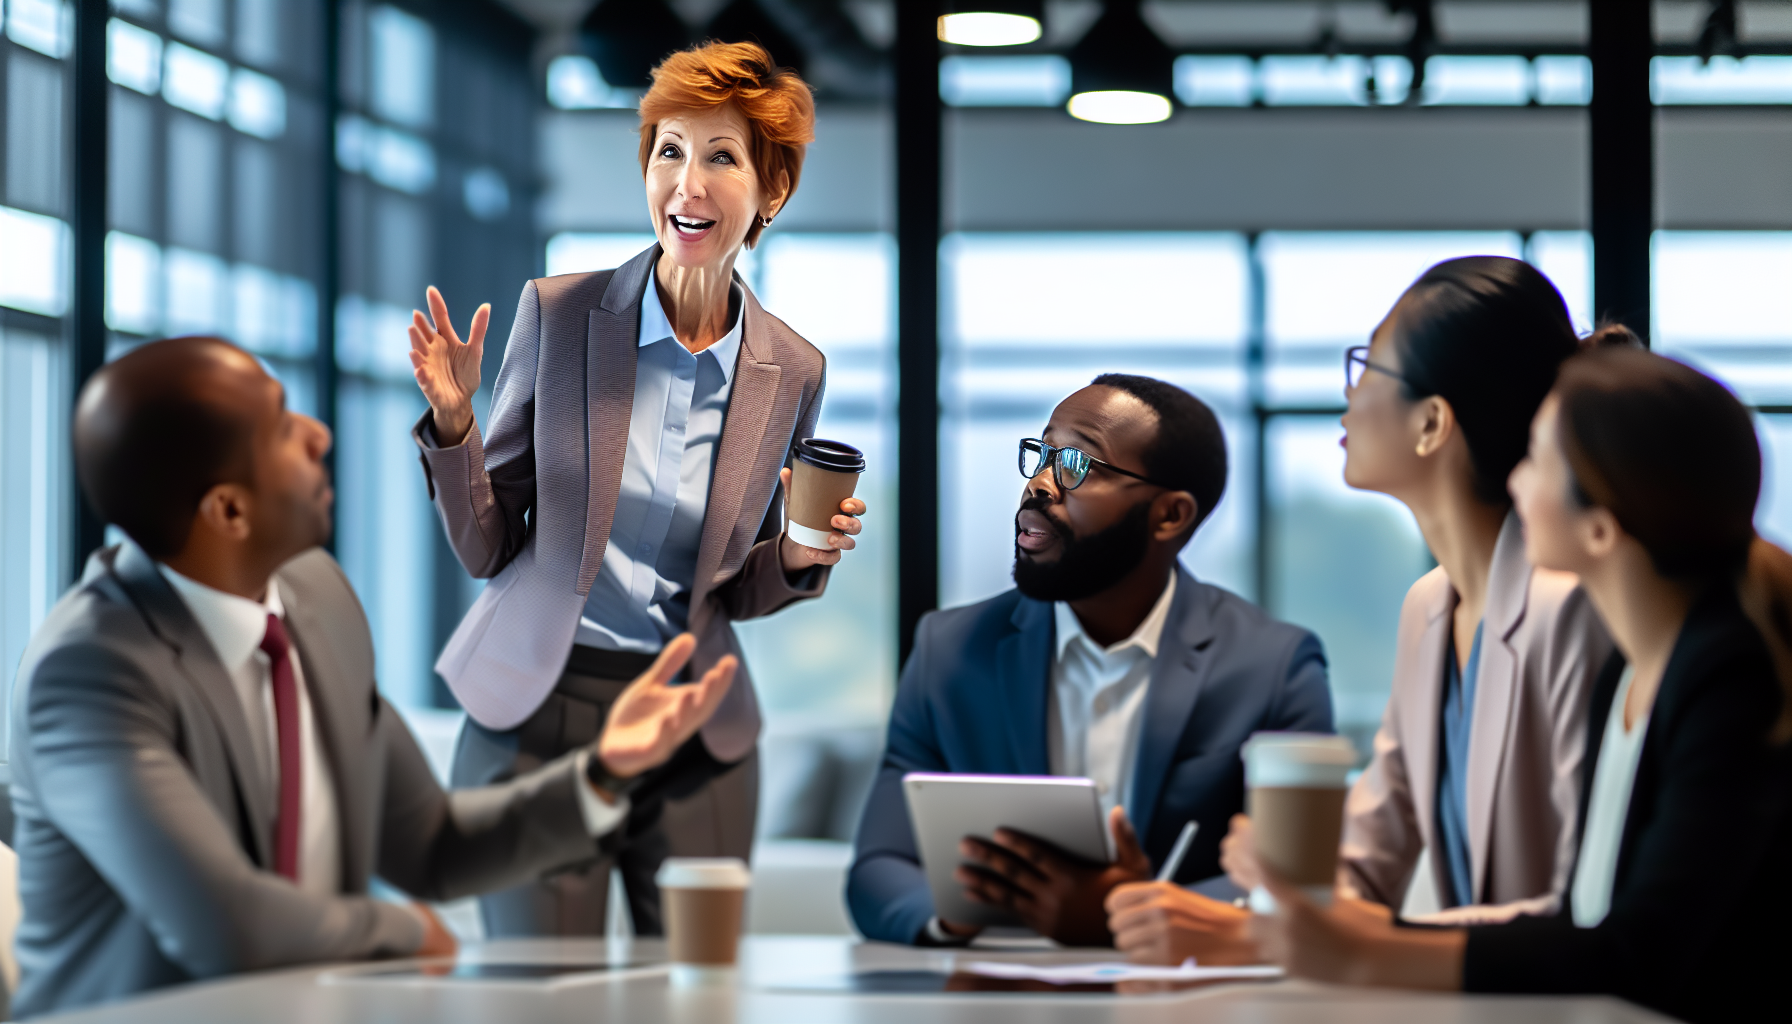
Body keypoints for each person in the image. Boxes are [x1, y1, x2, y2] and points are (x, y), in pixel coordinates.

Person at [8, 337, 738, 1018]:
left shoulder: (315, 597)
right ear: (227, 511)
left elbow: (430, 844)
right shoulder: (89, 673)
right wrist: (404, 930)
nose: (316, 434)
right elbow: (227, 926)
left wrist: (604, 771)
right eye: (278, 427)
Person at [406, 42, 864, 937]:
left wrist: (802, 557)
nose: (687, 184)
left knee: (698, 991)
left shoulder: (793, 370)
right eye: (669, 151)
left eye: (721, 157)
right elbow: (486, 547)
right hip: (539, 710)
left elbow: (736, 587)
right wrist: (456, 424)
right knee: (542, 996)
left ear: (771, 192)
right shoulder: (560, 313)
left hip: (696, 721)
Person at [1249, 348, 1792, 1024]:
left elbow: (1641, 954)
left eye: (1536, 460)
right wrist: (1353, 935)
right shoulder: (1627, 678)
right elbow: (1582, 919)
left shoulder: (1728, 678)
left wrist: (1366, 955)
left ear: (1599, 527)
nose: (1515, 482)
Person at [1107, 257, 1616, 965]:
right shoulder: (1429, 608)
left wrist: (1277, 934)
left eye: (1367, 366)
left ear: (1432, 422)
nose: (1346, 397)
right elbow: (1366, 866)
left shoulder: (1571, 605)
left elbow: (1585, 912)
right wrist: (1190, 904)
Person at [847, 375, 1334, 947]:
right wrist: (956, 909)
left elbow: (1301, 883)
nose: (1040, 485)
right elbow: (878, 872)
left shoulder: (1275, 664)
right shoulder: (949, 650)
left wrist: (1129, 913)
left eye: (1077, 463)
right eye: (1043, 454)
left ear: (1169, 516)